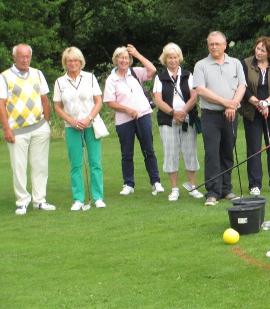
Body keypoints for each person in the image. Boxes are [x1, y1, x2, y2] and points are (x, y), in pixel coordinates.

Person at [0, 44, 55, 215]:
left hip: (39, 127)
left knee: (40, 165)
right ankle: (22, 201)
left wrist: (47, 123)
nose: (25, 60)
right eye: (22, 57)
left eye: (28, 57)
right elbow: (1, 104)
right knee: (19, 166)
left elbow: (45, 100)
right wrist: (6, 129)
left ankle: (40, 200)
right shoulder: (4, 77)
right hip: (16, 130)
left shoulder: (38, 74)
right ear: (14, 57)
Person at [193, 31, 246, 206]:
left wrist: (233, 104)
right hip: (210, 115)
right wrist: (227, 103)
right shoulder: (201, 65)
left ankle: (226, 189)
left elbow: (242, 86)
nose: (214, 47)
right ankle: (213, 192)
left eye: (217, 44)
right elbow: (200, 90)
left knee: (227, 151)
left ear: (225, 45)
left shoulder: (235, 63)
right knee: (212, 153)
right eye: (211, 44)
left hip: (231, 114)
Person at [103, 44, 164, 196]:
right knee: (127, 153)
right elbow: (110, 102)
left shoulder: (135, 72)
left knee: (148, 150)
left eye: (126, 58)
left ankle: (156, 182)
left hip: (143, 116)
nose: (124, 60)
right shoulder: (111, 79)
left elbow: (152, 70)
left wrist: (136, 53)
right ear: (115, 60)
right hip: (124, 121)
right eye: (120, 58)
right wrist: (127, 110)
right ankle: (128, 184)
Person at [53, 47, 106, 210]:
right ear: (65, 63)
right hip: (71, 127)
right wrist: (71, 120)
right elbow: (57, 106)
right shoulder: (60, 82)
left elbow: (98, 101)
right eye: (69, 61)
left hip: (91, 124)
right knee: (76, 164)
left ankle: (98, 197)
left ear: (80, 61)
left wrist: (87, 118)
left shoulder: (90, 78)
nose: (73, 63)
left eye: (75, 60)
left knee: (95, 162)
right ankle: (78, 199)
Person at [152, 43, 202, 201]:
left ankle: (192, 187)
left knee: (190, 152)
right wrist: (174, 113)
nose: (172, 60)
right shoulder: (160, 78)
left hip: (188, 119)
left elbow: (194, 96)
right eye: (169, 58)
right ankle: (174, 189)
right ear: (165, 60)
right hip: (168, 120)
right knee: (171, 153)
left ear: (179, 58)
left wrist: (183, 112)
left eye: (175, 57)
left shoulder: (188, 75)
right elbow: (158, 100)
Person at [240, 36, 270, 195]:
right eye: (257, 48)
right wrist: (258, 103)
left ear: (269, 53)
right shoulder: (245, 63)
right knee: (254, 149)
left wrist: (266, 103)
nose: (258, 52)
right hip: (252, 111)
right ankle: (254, 184)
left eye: (262, 50)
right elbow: (242, 87)